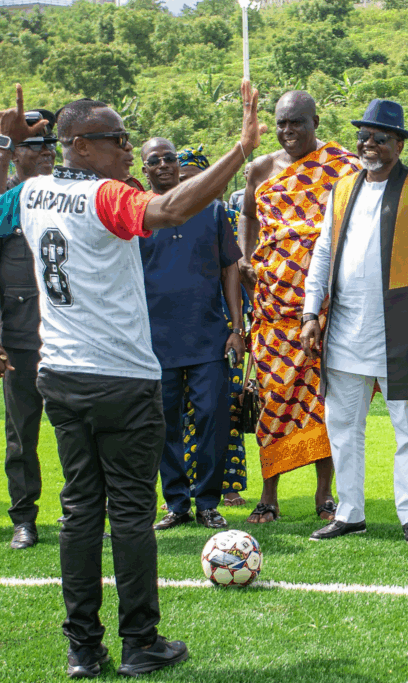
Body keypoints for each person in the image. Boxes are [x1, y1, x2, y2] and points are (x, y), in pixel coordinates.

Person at [0, 81, 264, 677]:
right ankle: (140, 643)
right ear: (80, 145)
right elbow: (172, 210)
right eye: (118, 140)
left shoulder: (32, 193)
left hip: (61, 374)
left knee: (81, 512)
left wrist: (3, 144)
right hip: (123, 378)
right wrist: (239, 151)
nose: (130, 151)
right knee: (130, 514)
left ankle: (83, 649)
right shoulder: (105, 196)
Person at [300, 99, 408, 544]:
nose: (369, 144)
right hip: (346, 332)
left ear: (399, 144)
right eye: (364, 136)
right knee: (342, 426)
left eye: (380, 138)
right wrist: (311, 312)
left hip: (405, 330)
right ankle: (349, 512)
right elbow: (323, 256)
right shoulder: (343, 189)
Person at [236, 90, 360, 525]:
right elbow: (248, 216)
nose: (289, 131)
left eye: (297, 123)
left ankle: (325, 494)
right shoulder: (260, 168)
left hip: (325, 303)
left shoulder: (344, 166)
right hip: (271, 302)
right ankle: (269, 495)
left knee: (322, 400)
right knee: (273, 399)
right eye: (282, 123)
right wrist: (245, 256)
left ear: (315, 122)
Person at [138, 138, 243, 532]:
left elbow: (229, 269)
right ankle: (177, 503)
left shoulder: (212, 210)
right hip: (154, 341)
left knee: (212, 419)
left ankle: (208, 502)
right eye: (155, 161)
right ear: (144, 169)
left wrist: (237, 327)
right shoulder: (139, 215)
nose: (165, 165)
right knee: (163, 425)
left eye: (170, 158)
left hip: (208, 337)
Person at [0, 108, 57, 550]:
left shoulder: (67, 196)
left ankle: (82, 513)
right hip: (21, 344)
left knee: (82, 434)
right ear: (15, 152)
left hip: (70, 341)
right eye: (33, 144)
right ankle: (24, 517)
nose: (45, 152)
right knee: (22, 437)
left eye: (49, 144)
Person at [176, 145, 252, 508]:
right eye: (183, 181)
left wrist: (241, 327)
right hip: (183, 329)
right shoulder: (167, 217)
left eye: (196, 181)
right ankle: (189, 484)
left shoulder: (228, 216)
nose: (189, 188)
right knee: (183, 413)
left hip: (224, 328)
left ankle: (228, 484)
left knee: (226, 411)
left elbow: (238, 274)